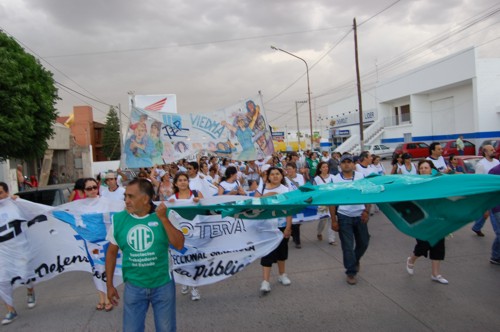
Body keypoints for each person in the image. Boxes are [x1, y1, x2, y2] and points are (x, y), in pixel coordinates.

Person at [106, 179, 185, 332]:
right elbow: (111, 252)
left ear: (146, 199)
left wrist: (162, 218)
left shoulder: (166, 214)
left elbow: (179, 244)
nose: (126, 201)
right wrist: (109, 285)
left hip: (163, 284)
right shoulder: (119, 219)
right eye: (125, 197)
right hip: (134, 286)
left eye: (131, 197)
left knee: (166, 329)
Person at [405, 161, 449, 284]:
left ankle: (435, 274)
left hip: (436, 218)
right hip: (420, 219)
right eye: (421, 168)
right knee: (423, 245)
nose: (424, 170)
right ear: (418, 170)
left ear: (431, 169)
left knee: (438, 245)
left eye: (426, 168)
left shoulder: (437, 183)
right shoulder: (413, 183)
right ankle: (411, 259)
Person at [330, 154, 370, 285]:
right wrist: (333, 220)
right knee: (347, 246)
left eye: (349, 162)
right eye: (344, 162)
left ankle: (355, 259)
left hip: (360, 215)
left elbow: (367, 194)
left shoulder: (360, 177)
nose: (347, 164)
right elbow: (331, 201)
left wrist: (366, 211)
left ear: (353, 164)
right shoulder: (335, 180)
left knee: (364, 242)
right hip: (344, 215)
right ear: (340, 165)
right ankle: (351, 272)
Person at [0, 182, 36, 326]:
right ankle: (11, 309)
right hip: (2, 250)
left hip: (19, 245)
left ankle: (30, 290)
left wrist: (19, 201)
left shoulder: (15, 204)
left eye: (1, 193)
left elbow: (33, 211)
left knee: (25, 273)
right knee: (1, 281)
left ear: (7, 193)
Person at [255, 167, 293, 294]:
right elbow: (255, 202)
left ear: (282, 176)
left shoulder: (286, 190)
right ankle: (265, 281)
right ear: (268, 176)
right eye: (272, 174)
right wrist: (268, 194)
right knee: (267, 252)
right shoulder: (262, 187)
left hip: (281, 225)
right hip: (266, 226)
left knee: (282, 251)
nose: (275, 176)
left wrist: (288, 227)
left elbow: (289, 209)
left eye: (278, 174)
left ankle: (282, 275)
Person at [168, 173, 203, 301]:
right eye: (180, 180)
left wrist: (200, 203)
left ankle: (194, 287)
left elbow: (207, 209)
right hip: (180, 236)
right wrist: (169, 206)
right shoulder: (172, 198)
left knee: (194, 261)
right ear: (176, 183)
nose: (183, 182)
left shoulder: (196, 194)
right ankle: (185, 282)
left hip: (196, 234)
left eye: (185, 180)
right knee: (182, 260)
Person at [83, 178, 114, 312]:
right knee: (95, 269)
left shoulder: (105, 202)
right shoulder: (80, 205)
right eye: (89, 188)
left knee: (105, 268)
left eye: (94, 187)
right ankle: (101, 297)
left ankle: (108, 297)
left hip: (105, 240)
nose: (92, 190)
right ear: (84, 191)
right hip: (89, 242)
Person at [471, 144, 500, 236]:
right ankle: (498, 235)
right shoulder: (481, 164)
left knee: (487, 214)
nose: (494, 151)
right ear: (485, 152)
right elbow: (478, 182)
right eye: (491, 150)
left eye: (494, 149)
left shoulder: (496, 162)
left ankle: (476, 227)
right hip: (487, 194)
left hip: (496, 193)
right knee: (493, 216)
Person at [314, 161, 337, 245]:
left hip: (331, 201)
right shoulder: (317, 179)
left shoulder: (333, 177)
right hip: (322, 202)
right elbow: (315, 191)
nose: (325, 168)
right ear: (320, 169)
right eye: (323, 167)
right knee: (323, 220)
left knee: (331, 219)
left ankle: (331, 239)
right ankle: (319, 232)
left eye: (326, 167)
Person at [285, 162, 305, 248]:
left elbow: (303, 187)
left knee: (298, 221)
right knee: (295, 222)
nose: (288, 171)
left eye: (290, 169)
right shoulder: (285, 179)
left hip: (299, 201)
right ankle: (298, 241)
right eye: (287, 169)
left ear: (294, 169)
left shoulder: (300, 177)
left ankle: (294, 234)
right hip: (290, 202)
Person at [487, 164, 500, 265]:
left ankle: (495, 256)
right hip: (497, 207)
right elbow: (488, 191)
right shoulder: (495, 170)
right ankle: (495, 256)